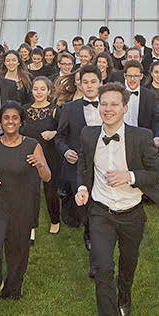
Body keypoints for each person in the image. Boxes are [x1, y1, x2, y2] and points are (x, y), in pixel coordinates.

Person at [74, 82, 159, 316]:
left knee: (128, 263)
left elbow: (158, 174)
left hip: (132, 212)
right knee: (102, 269)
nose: (108, 109)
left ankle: (125, 293)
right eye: (104, 104)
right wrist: (82, 188)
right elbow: (83, 165)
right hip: (100, 212)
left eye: (114, 104)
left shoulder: (141, 136)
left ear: (125, 108)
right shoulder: (88, 135)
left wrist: (131, 177)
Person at [0, 101, 52, 303]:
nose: (10, 121)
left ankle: (13, 287)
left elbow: (47, 177)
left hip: (23, 203)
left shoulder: (32, 145)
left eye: (14, 118)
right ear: (1, 121)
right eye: (6, 118)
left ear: (21, 122)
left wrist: (39, 165)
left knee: (18, 248)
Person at [56, 66, 106, 257]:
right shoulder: (69, 108)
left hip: (104, 162)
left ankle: (98, 232)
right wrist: (67, 151)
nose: (90, 85)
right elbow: (60, 137)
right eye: (85, 82)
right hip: (79, 165)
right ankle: (88, 230)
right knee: (84, 201)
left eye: (94, 81)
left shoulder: (109, 105)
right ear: (80, 84)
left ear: (101, 83)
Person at [22, 76, 62, 236]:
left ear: (49, 91)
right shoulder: (24, 110)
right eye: (36, 89)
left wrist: (54, 133)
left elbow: (65, 132)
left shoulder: (55, 110)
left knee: (50, 191)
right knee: (30, 192)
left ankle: (55, 220)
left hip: (49, 155)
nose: (39, 92)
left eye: (42, 89)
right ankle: (31, 225)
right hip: (28, 155)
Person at [123, 60, 159, 147]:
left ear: (141, 76)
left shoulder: (149, 96)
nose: (132, 79)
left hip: (142, 141)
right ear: (125, 76)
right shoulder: (117, 93)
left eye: (136, 76)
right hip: (120, 140)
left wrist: (158, 137)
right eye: (130, 76)